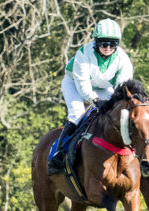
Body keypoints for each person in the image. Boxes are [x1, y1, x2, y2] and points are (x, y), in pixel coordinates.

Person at [48, 19, 133, 174]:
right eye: (103, 43)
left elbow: (121, 87)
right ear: (95, 42)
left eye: (112, 44)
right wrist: (95, 101)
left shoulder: (123, 59)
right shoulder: (84, 53)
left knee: (117, 112)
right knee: (77, 113)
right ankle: (59, 154)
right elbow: (82, 84)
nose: (107, 48)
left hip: (101, 87)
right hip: (74, 83)